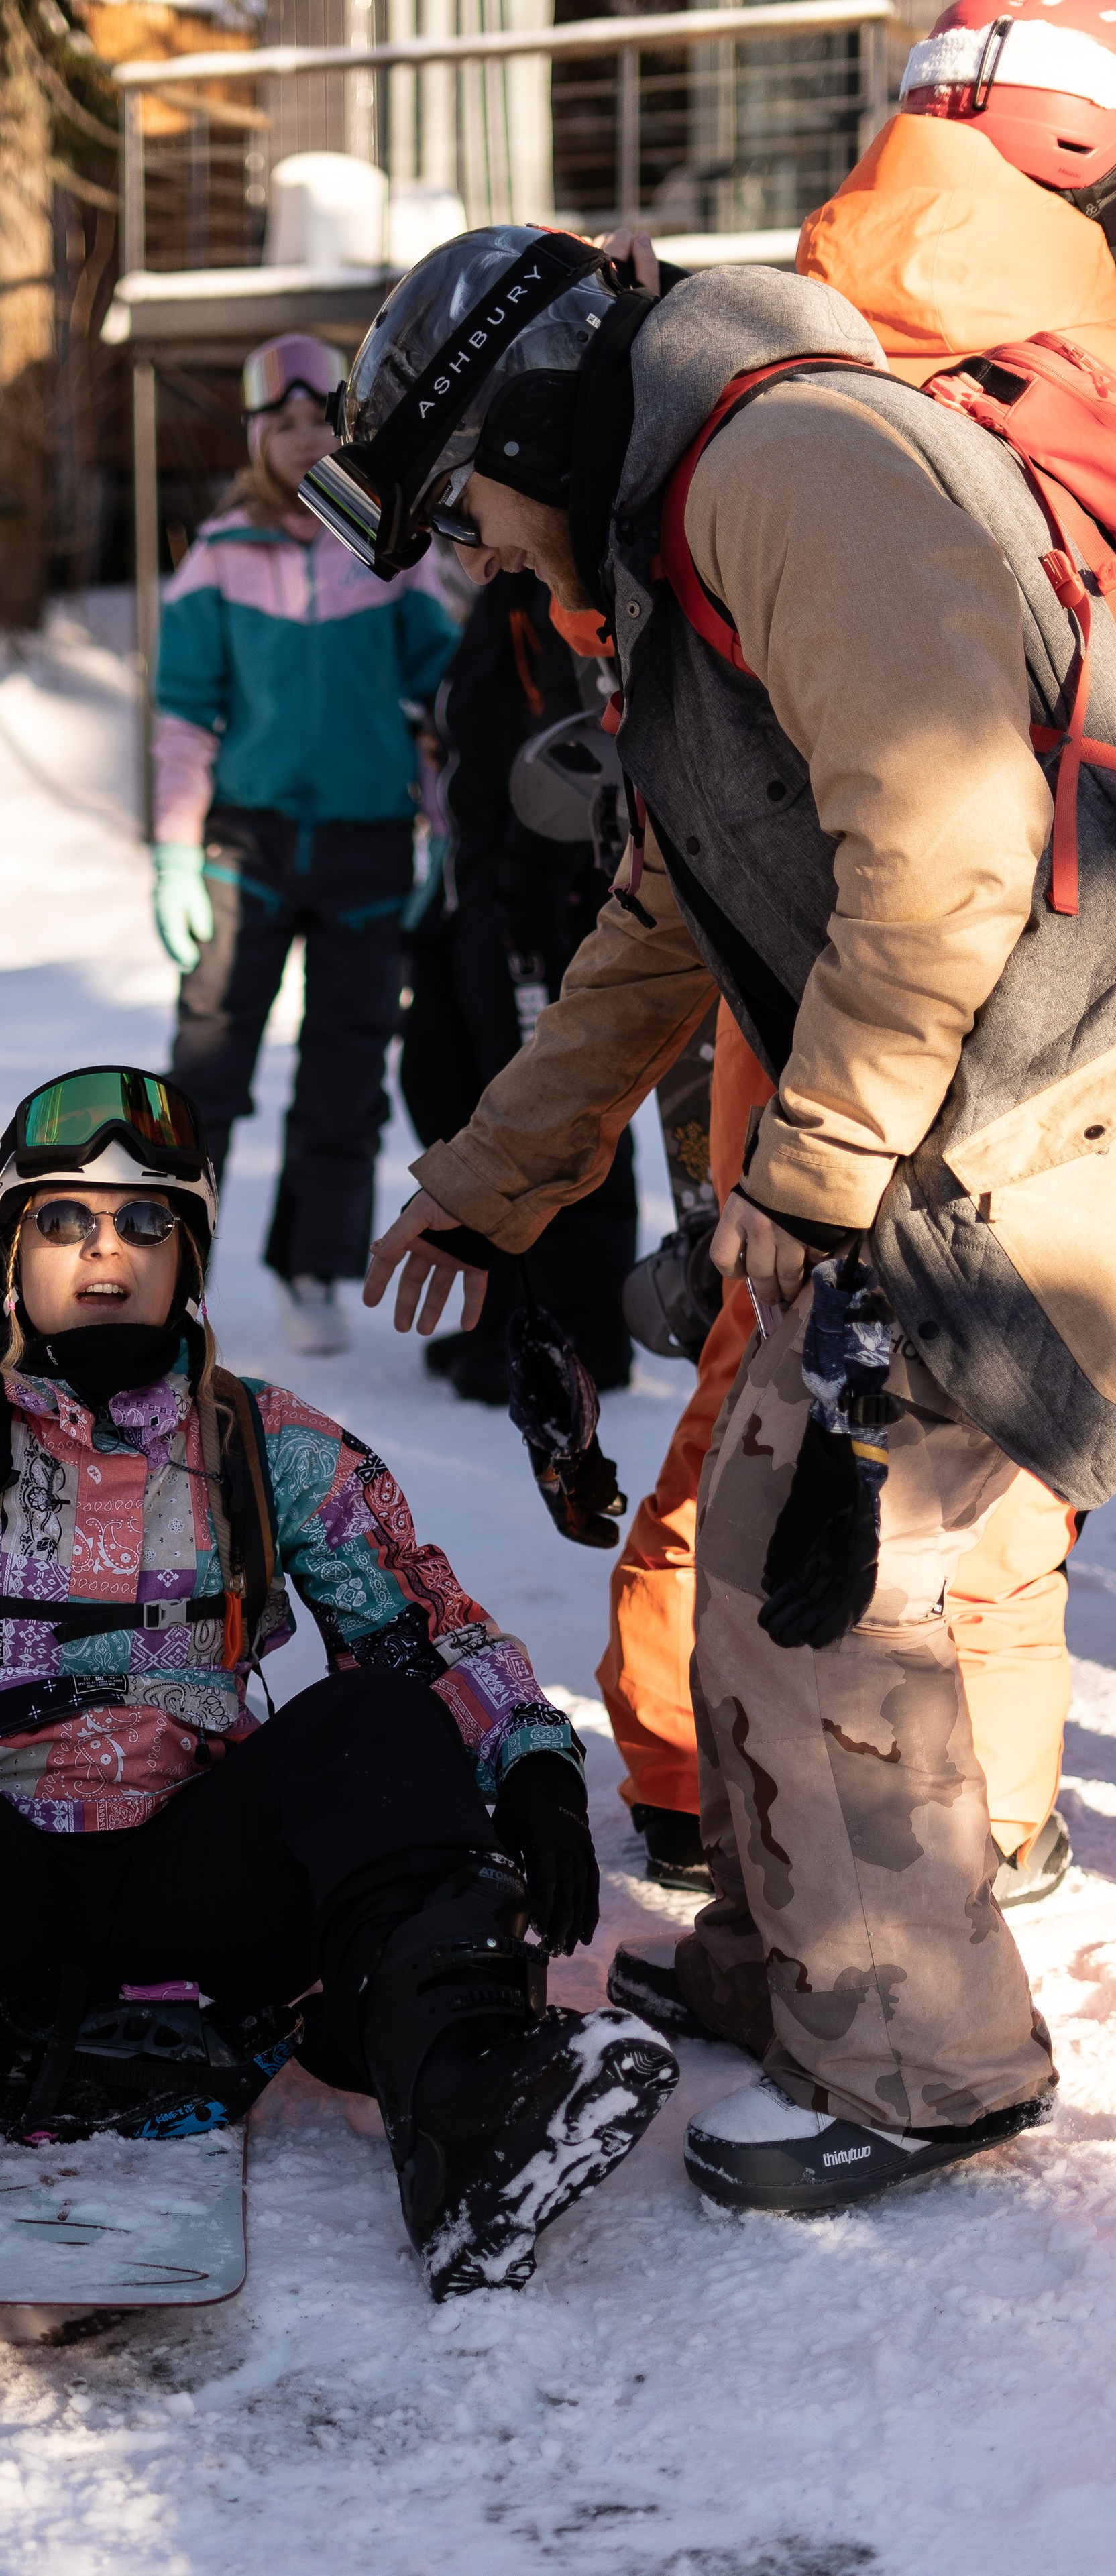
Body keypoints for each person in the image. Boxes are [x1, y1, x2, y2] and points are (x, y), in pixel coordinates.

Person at [313, 223, 1102, 2214]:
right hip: (946, 1132)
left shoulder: (790, 467)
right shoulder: (678, 540)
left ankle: (923, 2062)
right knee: (757, 1557)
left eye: (464, 502)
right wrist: (495, 1180)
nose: (475, 551)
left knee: (847, 1594)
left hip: (1036, 1123)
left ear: (532, 411)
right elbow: (671, 913)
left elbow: (940, 847)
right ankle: (802, 1969)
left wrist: (807, 1169)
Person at [0, 1064, 677, 2358]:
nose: (105, 1253)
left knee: (381, 1722)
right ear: (12, 1249)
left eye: (145, 1223)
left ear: (192, 1255)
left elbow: (429, 1628)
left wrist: (536, 1767)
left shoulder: (269, 1445)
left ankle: (469, 2121)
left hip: (207, 1897)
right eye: (65, 1221)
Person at [599, 27, 1116, 1907]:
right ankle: (992, 1820)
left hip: (843, 990)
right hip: (1076, 1020)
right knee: (1000, 1451)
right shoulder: (1083, 370)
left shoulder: (793, 359)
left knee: (795, 1399)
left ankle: (712, 1796)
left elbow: (727, 789)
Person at [152, 335, 461, 1355]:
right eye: (280, 423)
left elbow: (441, 698)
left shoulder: (389, 547)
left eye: (319, 420)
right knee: (208, 1064)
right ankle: (163, 1266)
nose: (300, 439)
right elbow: (186, 715)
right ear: (254, 435)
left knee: (346, 1064)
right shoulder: (219, 552)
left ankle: (313, 1268)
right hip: (251, 841)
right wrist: (172, 850)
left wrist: (441, 831)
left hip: (371, 843)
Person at [402, 567, 636, 1402]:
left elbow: (580, 746)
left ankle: (578, 1329)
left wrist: (538, 889)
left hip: (539, 897)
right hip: (469, 888)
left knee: (550, 1100)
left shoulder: (555, 587)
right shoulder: (495, 594)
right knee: (441, 1077)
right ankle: (502, 1303)